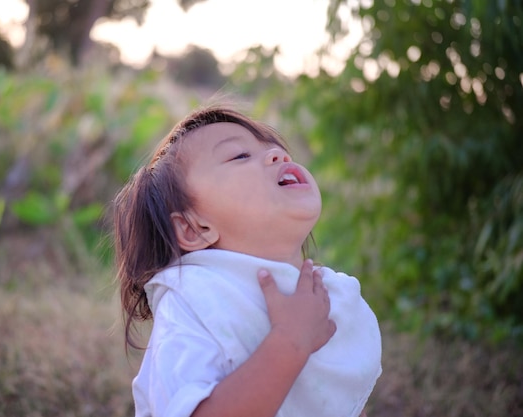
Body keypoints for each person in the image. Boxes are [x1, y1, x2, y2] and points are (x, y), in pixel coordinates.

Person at [112, 106, 382, 417]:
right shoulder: (195, 301)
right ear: (194, 227)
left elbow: (339, 403)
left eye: (272, 147)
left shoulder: (327, 295)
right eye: (239, 156)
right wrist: (291, 340)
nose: (277, 154)